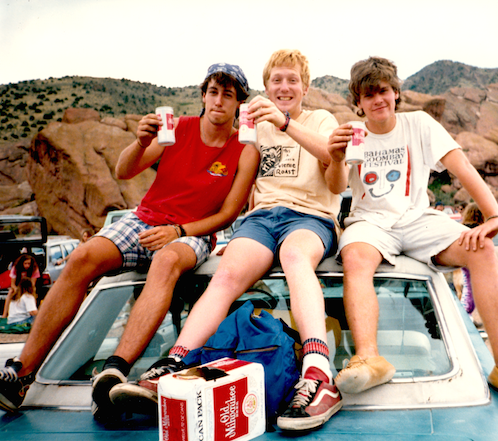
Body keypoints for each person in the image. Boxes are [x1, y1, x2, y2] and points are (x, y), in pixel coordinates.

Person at [0, 62, 260, 418]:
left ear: (239, 103)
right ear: (202, 95)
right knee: (82, 257)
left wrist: (180, 231)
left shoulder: (244, 147)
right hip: (144, 218)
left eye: (228, 95)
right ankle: (21, 373)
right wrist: (139, 142)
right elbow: (124, 170)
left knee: (167, 261)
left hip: (193, 231)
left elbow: (229, 213)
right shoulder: (177, 129)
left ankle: (115, 369)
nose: (218, 101)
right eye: (213, 92)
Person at [111, 49, 344, 432]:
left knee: (296, 259)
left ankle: (318, 372)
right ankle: (175, 362)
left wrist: (285, 123)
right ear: (266, 86)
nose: (284, 87)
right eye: (276, 81)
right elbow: (234, 178)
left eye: (292, 80)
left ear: (306, 87)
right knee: (225, 276)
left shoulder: (319, 119)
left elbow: (335, 173)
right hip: (261, 218)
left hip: (310, 216)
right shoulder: (255, 126)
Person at [325, 56, 498, 408]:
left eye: (383, 91)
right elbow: (336, 188)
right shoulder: (352, 132)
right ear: (358, 101)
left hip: (417, 218)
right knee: (355, 256)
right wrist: (334, 157)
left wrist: (493, 215)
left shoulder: (419, 124)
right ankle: (369, 358)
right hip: (370, 222)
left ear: (395, 92)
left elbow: (462, 167)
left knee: (482, 250)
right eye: (368, 95)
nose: (377, 99)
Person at [2, 254, 40, 320]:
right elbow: (12, 284)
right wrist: (17, 289)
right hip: (18, 286)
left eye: (29, 263)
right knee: (10, 292)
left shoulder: (34, 268)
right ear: (22, 263)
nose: (27, 265)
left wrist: (27, 290)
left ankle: (32, 308)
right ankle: (5, 314)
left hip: (28, 286)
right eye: (25, 263)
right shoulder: (15, 268)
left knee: (33, 294)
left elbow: (32, 283)